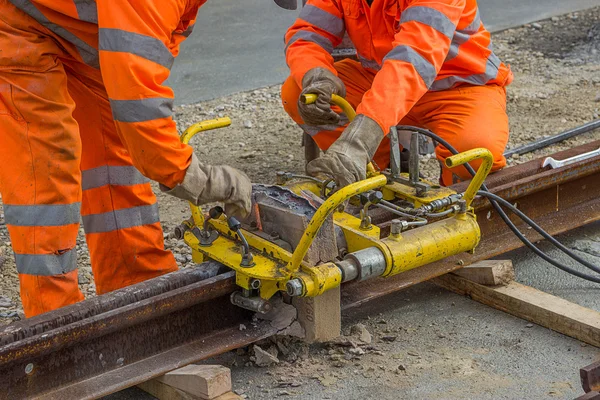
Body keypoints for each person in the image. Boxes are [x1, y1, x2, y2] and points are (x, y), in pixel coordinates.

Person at [0, 0, 252, 317]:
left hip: (76, 33)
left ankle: (138, 283)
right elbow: (139, 103)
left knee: (114, 159)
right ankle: (54, 320)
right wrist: (193, 176)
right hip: (14, 20)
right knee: (46, 169)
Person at [281, 0, 513, 188]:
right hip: (383, 81)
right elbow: (307, 33)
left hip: (457, 88)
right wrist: (316, 76)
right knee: (298, 91)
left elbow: (412, 63)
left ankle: (457, 202)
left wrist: (358, 142)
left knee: (474, 152)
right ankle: (376, 179)